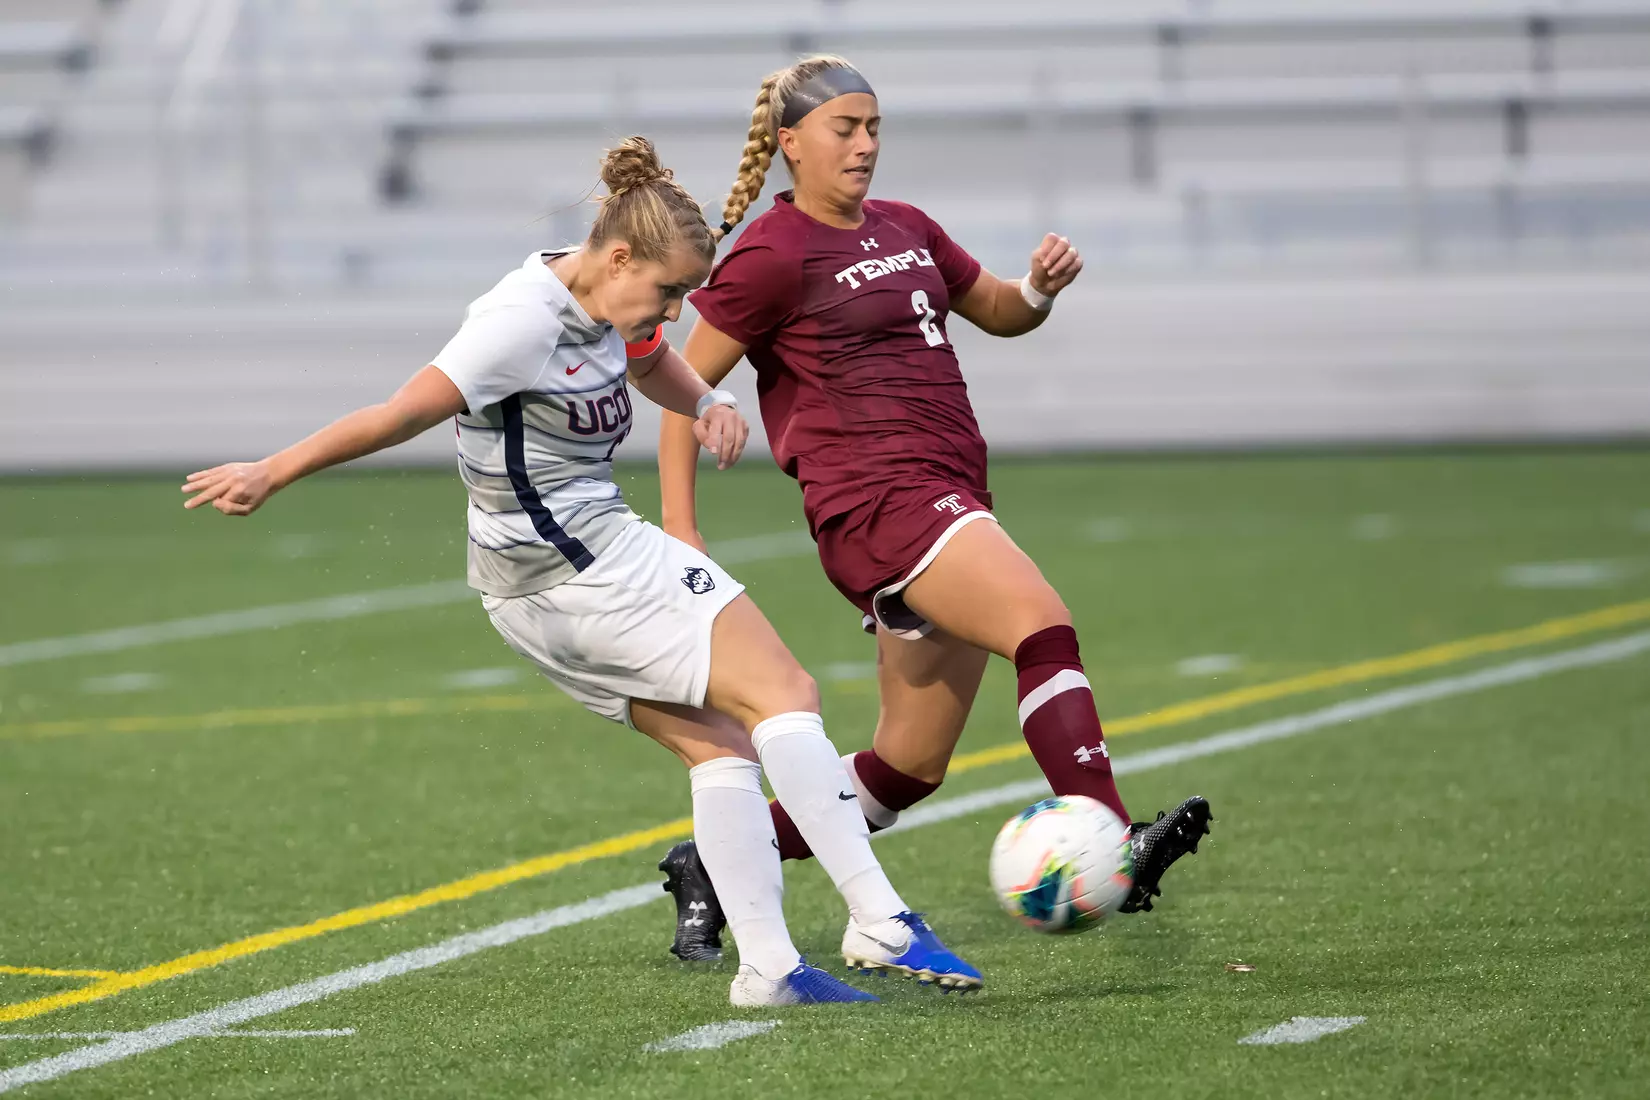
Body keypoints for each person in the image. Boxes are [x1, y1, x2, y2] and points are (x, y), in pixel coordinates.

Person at [181, 137, 980, 1004]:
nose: (672, 312)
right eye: (667, 291)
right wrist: (273, 470)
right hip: (580, 565)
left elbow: (648, 362)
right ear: (621, 256)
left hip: (532, 585)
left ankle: (769, 969)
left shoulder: (603, 294)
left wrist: (706, 400)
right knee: (785, 692)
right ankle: (880, 916)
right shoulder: (519, 322)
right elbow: (398, 413)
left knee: (720, 744)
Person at [654, 57, 1212, 960]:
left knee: (905, 768)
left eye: (874, 127)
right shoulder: (771, 252)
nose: (866, 145)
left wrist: (1037, 289)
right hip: (883, 501)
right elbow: (681, 385)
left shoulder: (907, 226)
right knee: (1042, 625)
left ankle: (712, 868)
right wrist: (683, 529)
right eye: (846, 129)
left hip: (941, 492)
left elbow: (994, 308)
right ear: (790, 142)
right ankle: (1113, 837)